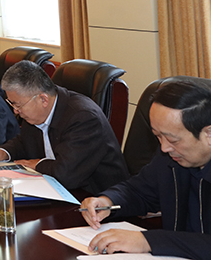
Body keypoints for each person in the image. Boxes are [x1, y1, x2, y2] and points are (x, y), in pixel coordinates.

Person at [81, 82, 211, 258]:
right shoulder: (171, 156)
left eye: (173, 140)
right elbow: (139, 191)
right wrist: (107, 201)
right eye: (158, 136)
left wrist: (148, 241)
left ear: (209, 134)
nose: (164, 147)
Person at [0, 61, 128, 194]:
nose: (15, 111)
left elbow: (66, 174)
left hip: (95, 199)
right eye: (12, 104)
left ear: (43, 99)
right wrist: (3, 152)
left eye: (18, 105)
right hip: (53, 189)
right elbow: (24, 142)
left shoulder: (84, 118)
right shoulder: (35, 113)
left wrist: (38, 164)